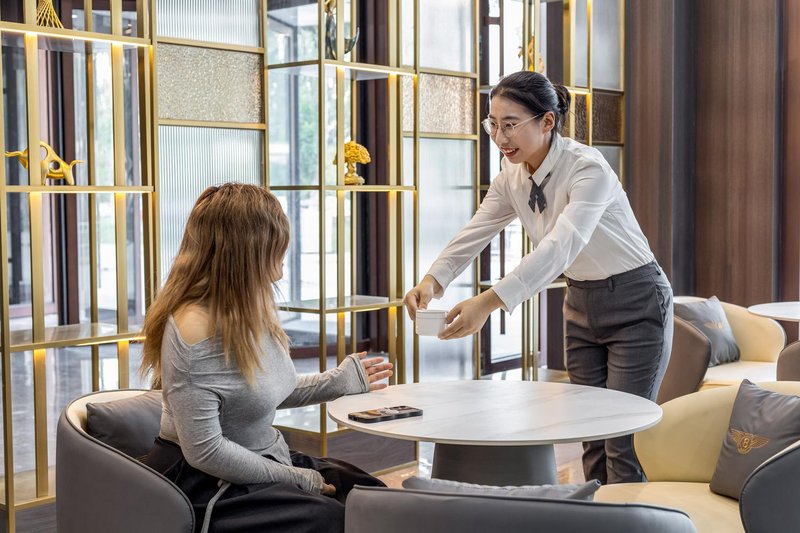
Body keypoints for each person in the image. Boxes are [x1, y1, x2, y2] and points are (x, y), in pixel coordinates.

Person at [403, 71, 673, 485]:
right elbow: (476, 230)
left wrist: (488, 302)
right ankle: (595, 513)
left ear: (547, 121)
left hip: (637, 302)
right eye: (493, 124)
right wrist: (431, 281)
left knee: (621, 439)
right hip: (581, 303)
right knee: (589, 434)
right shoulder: (510, 176)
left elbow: (560, 248)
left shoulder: (587, 168)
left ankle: (633, 514)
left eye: (510, 125)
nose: (499, 137)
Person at [140, 183, 393, 533]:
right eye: (277, 244)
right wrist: (297, 478)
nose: (284, 255)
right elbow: (207, 452)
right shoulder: (194, 329)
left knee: (371, 495)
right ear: (247, 249)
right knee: (329, 518)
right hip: (205, 480)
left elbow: (259, 393)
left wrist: (340, 382)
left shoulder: (247, 305)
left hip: (259, 455)